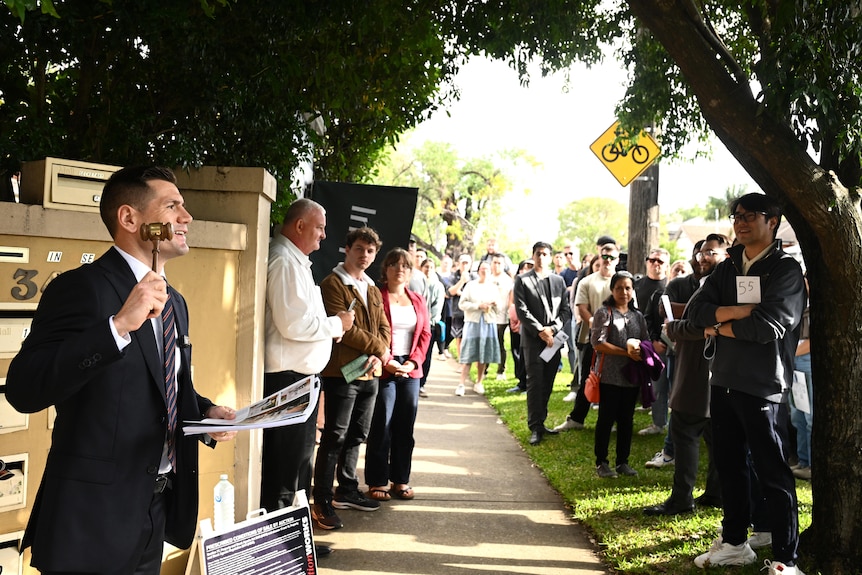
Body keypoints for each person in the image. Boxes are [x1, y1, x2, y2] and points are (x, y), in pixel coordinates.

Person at [5, 166, 237, 574]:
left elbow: (162, 386)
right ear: (130, 219)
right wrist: (116, 328)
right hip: (90, 524)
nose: (186, 218)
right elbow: (25, 389)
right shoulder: (81, 288)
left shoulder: (175, 303)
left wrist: (205, 411)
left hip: (154, 513)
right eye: (172, 206)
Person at [687, 193, 806, 574]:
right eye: (736, 215)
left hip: (763, 386)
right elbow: (693, 314)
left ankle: (786, 560)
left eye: (749, 215)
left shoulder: (785, 270)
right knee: (730, 466)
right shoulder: (727, 267)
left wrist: (717, 324)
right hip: (722, 381)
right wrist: (737, 314)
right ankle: (736, 542)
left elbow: (769, 326)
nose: (739, 221)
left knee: (773, 473)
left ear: (772, 221)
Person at [260, 199, 355, 550]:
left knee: (298, 466)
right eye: (319, 227)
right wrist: (337, 324)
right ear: (299, 226)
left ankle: (294, 541)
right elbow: (293, 323)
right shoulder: (284, 260)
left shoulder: (292, 260)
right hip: (288, 378)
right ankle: (283, 548)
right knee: (286, 467)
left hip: (298, 377)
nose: (324, 235)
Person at [642, 235, 730, 515]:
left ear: (725, 256)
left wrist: (676, 328)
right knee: (716, 438)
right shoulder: (712, 284)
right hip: (711, 373)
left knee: (685, 433)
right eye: (701, 253)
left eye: (711, 253)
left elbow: (700, 323)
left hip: (701, 371)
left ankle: (682, 500)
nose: (703, 258)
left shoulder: (719, 286)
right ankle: (716, 495)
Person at [313, 227, 390, 530]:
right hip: (342, 374)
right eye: (359, 248)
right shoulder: (333, 284)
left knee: (358, 434)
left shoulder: (371, 287)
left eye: (370, 251)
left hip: (369, 371)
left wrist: (379, 352)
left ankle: (346, 490)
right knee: (334, 437)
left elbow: (383, 325)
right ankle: (321, 499)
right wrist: (379, 348)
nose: (364, 255)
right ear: (346, 249)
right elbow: (344, 330)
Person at [365, 248, 431, 502]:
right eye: (394, 264)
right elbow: (372, 332)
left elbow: (425, 333)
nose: (399, 269)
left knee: (406, 426)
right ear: (385, 269)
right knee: (382, 424)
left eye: (405, 265)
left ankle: (400, 479)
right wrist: (388, 360)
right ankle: (377, 480)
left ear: (411, 271)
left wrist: (413, 363)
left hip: (410, 368)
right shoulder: (377, 297)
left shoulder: (417, 299)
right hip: (384, 366)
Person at [591, 271, 654, 478]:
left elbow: (646, 341)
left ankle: (622, 462)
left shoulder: (638, 316)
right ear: (612, 290)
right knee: (606, 420)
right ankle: (601, 462)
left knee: (627, 420)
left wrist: (641, 351)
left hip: (631, 376)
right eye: (619, 288)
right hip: (610, 375)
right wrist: (624, 352)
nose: (624, 292)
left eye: (628, 288)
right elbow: (597, 343)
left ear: (633, 290)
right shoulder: (604, 312)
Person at [555, 243, 622, 432]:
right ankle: (577, 418)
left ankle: (614, 420)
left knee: (615, 381)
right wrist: (595, 323)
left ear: (618, 260)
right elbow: (581, 307)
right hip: (592, 339)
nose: (608, 261)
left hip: (617, 341)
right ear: (599, 257)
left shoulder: (623, 281)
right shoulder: (587, 281)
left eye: (612, 257)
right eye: (605, 256)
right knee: (587, 378)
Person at [513, 241, 572, 445]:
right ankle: (535, 427)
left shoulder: (558, 281)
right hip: (533, 340)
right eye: (538, 253)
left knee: (548, 382)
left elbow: (566, 310)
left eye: (545, 254)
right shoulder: (522, 280)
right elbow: (522, 310)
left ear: (550, 257)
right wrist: (540, 330)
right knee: (535, 382)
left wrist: (553, 329)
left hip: (553, 341)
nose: (541, 257)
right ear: (533, 255)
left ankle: (542, 420)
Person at [635, 248, 670, 436]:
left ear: (667, 265)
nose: (656, 263)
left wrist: (657, 341)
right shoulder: (636, 284)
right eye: (652, 260)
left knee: (660, 383)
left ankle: (659, 423)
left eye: (661, 261)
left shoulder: (671, 286)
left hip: (663, 344)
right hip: (637, 340)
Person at [456, 260, 503, 396]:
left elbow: (500, 308)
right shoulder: (471, 285)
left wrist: (494, 304)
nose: (485, 271)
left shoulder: (493, 287)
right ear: (478, 271)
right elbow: (462, 304)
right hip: (473, 322)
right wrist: (478, 305)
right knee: (469, 353)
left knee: (483, 353)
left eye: (487, 269)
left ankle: (479, 382)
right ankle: (461, 383)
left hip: (488, 322)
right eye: (482, 269)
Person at [790, 279, 812, 481]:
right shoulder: (799, 302)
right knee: (798, 414)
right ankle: (803, 462)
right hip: (795, 362)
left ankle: (812, 465)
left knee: (810, 416)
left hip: (805, 360)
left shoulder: (820, 305)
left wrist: (790, 353)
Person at [506, 259, 534, 393]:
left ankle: (529, 384)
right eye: (523, 267)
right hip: (516, 321)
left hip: (530, 325)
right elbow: (511, 303)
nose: (526, 270)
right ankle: (521, 382)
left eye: (529, 267)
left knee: (529, 356)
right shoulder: (516, 285)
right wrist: (515, 321)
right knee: (518, 353)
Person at [419, 257, 445, 397]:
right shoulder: (415, 281)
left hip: (430, 326)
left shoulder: (437, 286)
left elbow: (436, 308)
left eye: (431, 267)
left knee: (426, 356)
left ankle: (421, 384)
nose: (428, 270)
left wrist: (427, 322)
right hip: (416, 325)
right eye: (426, 266)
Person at [489, 253, 514, 381]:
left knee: (499, 343)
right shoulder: (487, 277)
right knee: (486, 343)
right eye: (494, 262)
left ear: (504, 265)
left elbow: (511, 299)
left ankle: (501, 370)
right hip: (487, 316)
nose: (496, 265)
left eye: (499, 263)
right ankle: (484, 368)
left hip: (501, 317)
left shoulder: (508, 280)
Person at [446, 254, 476, 356]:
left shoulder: (474, 277)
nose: (464, 265)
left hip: (472, 312)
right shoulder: (453, 276)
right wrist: (462, 281)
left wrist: (462, 293)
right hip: (458, 312)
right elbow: (450, 292)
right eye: (462, 263)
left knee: (470, 338)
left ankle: (468, 362)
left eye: (467, 263)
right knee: (459, 338)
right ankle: (461, 362)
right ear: (459, 264)